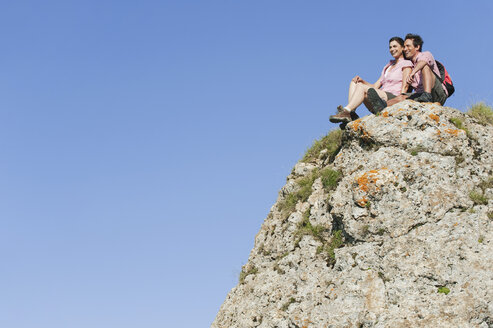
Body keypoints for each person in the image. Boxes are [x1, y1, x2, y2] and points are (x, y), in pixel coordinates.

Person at [330, 37, 412, 124]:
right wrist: (362, 81)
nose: (392, 49)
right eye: (390, 47)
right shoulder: (388, 66)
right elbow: (375, 87)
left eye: (395, 46)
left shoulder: (406, 64)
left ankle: (347, 111)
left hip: (392, 97)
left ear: (402, 48)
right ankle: (351, 113)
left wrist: (401, 102)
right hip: (378, 98)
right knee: (355, 82)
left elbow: (405, 86)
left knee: (361, 87)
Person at [367, 33, 448, 112]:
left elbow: (423, 62)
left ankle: (427, 95)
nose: (405, 49)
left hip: (437, 93)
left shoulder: (426, 54)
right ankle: (382, 106)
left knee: (425, 66)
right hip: (420, 94)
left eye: (408, 46)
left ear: (417, 47)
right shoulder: (409, 64)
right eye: (404, 46)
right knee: (401, 97)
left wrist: (413, 72)